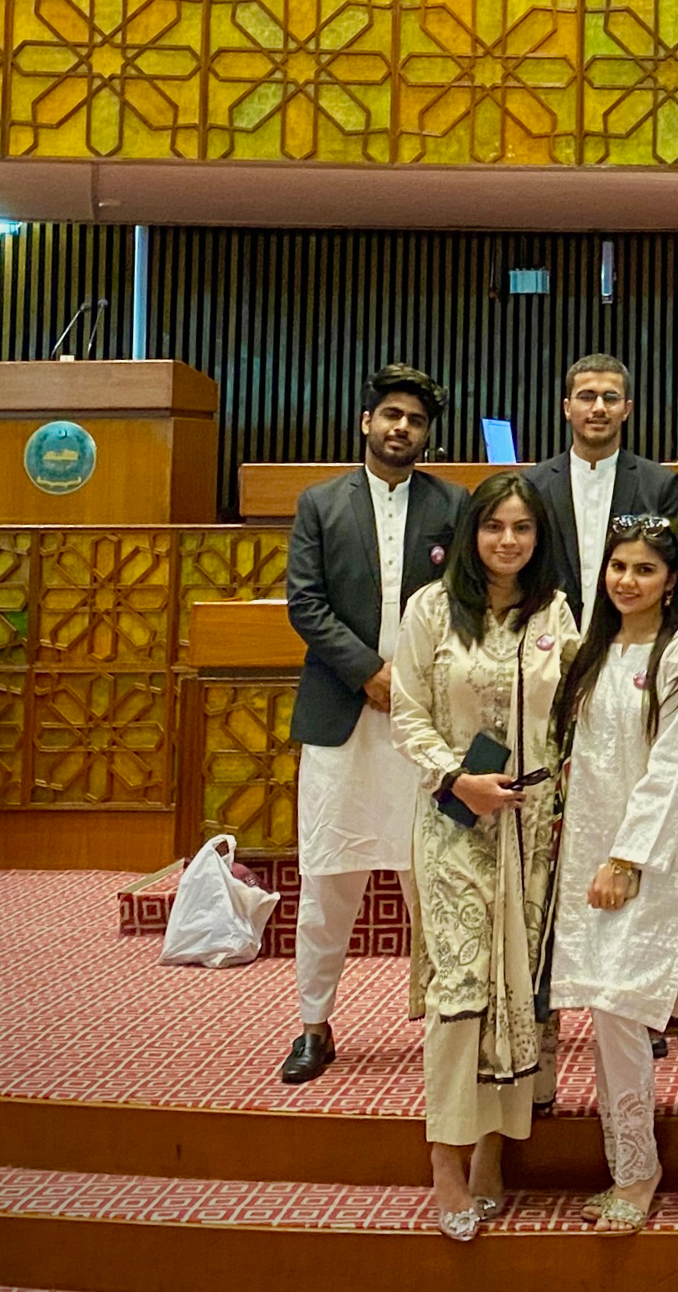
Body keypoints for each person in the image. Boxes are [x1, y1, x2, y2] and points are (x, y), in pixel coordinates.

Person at [390, 472, 580, 1240]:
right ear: (472, 532)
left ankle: (494, 1150)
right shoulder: (431, 609)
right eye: (495, 526)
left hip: (531, 828)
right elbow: (407, 711)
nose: (508, 541)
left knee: (517, 986)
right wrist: (456, 777)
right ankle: (445, 1159)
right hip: (454, 822)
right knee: (462, 986)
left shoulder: (554, 613)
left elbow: (578, 704)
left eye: (523, 529)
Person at [281, 362, 462, 1086]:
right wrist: (369, 673)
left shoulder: (455, 504)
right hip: (343, 717)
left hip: (426, 722)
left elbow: (468, 602)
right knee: (329, 882)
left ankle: (453, 1029)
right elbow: (305, 603)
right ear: (366, 422)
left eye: (415, 421)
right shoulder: (321, 504)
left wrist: (410, 682)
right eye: (390, 415)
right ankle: (313, 1024)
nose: (401, 429)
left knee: (437, 879)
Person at [550, 516, 678, 1233]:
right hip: (587, 848)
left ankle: (639, 1170)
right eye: (618, 567)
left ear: (670, 580)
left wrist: (627, 859)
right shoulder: (592, 650)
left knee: (621, 1009)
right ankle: (626, 1161)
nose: (627, 581)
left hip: (645, 858)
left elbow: (673, 768)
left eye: (644, 570)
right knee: (600, 1012)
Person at [527, 355, 678, 625]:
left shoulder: (659, 485)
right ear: (566, 407)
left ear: (626, 409)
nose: (599, 408)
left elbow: (671, 574)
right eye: (586, 397)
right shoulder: (534, 484)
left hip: (627, 637)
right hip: (548, 638)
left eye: (610, 398)